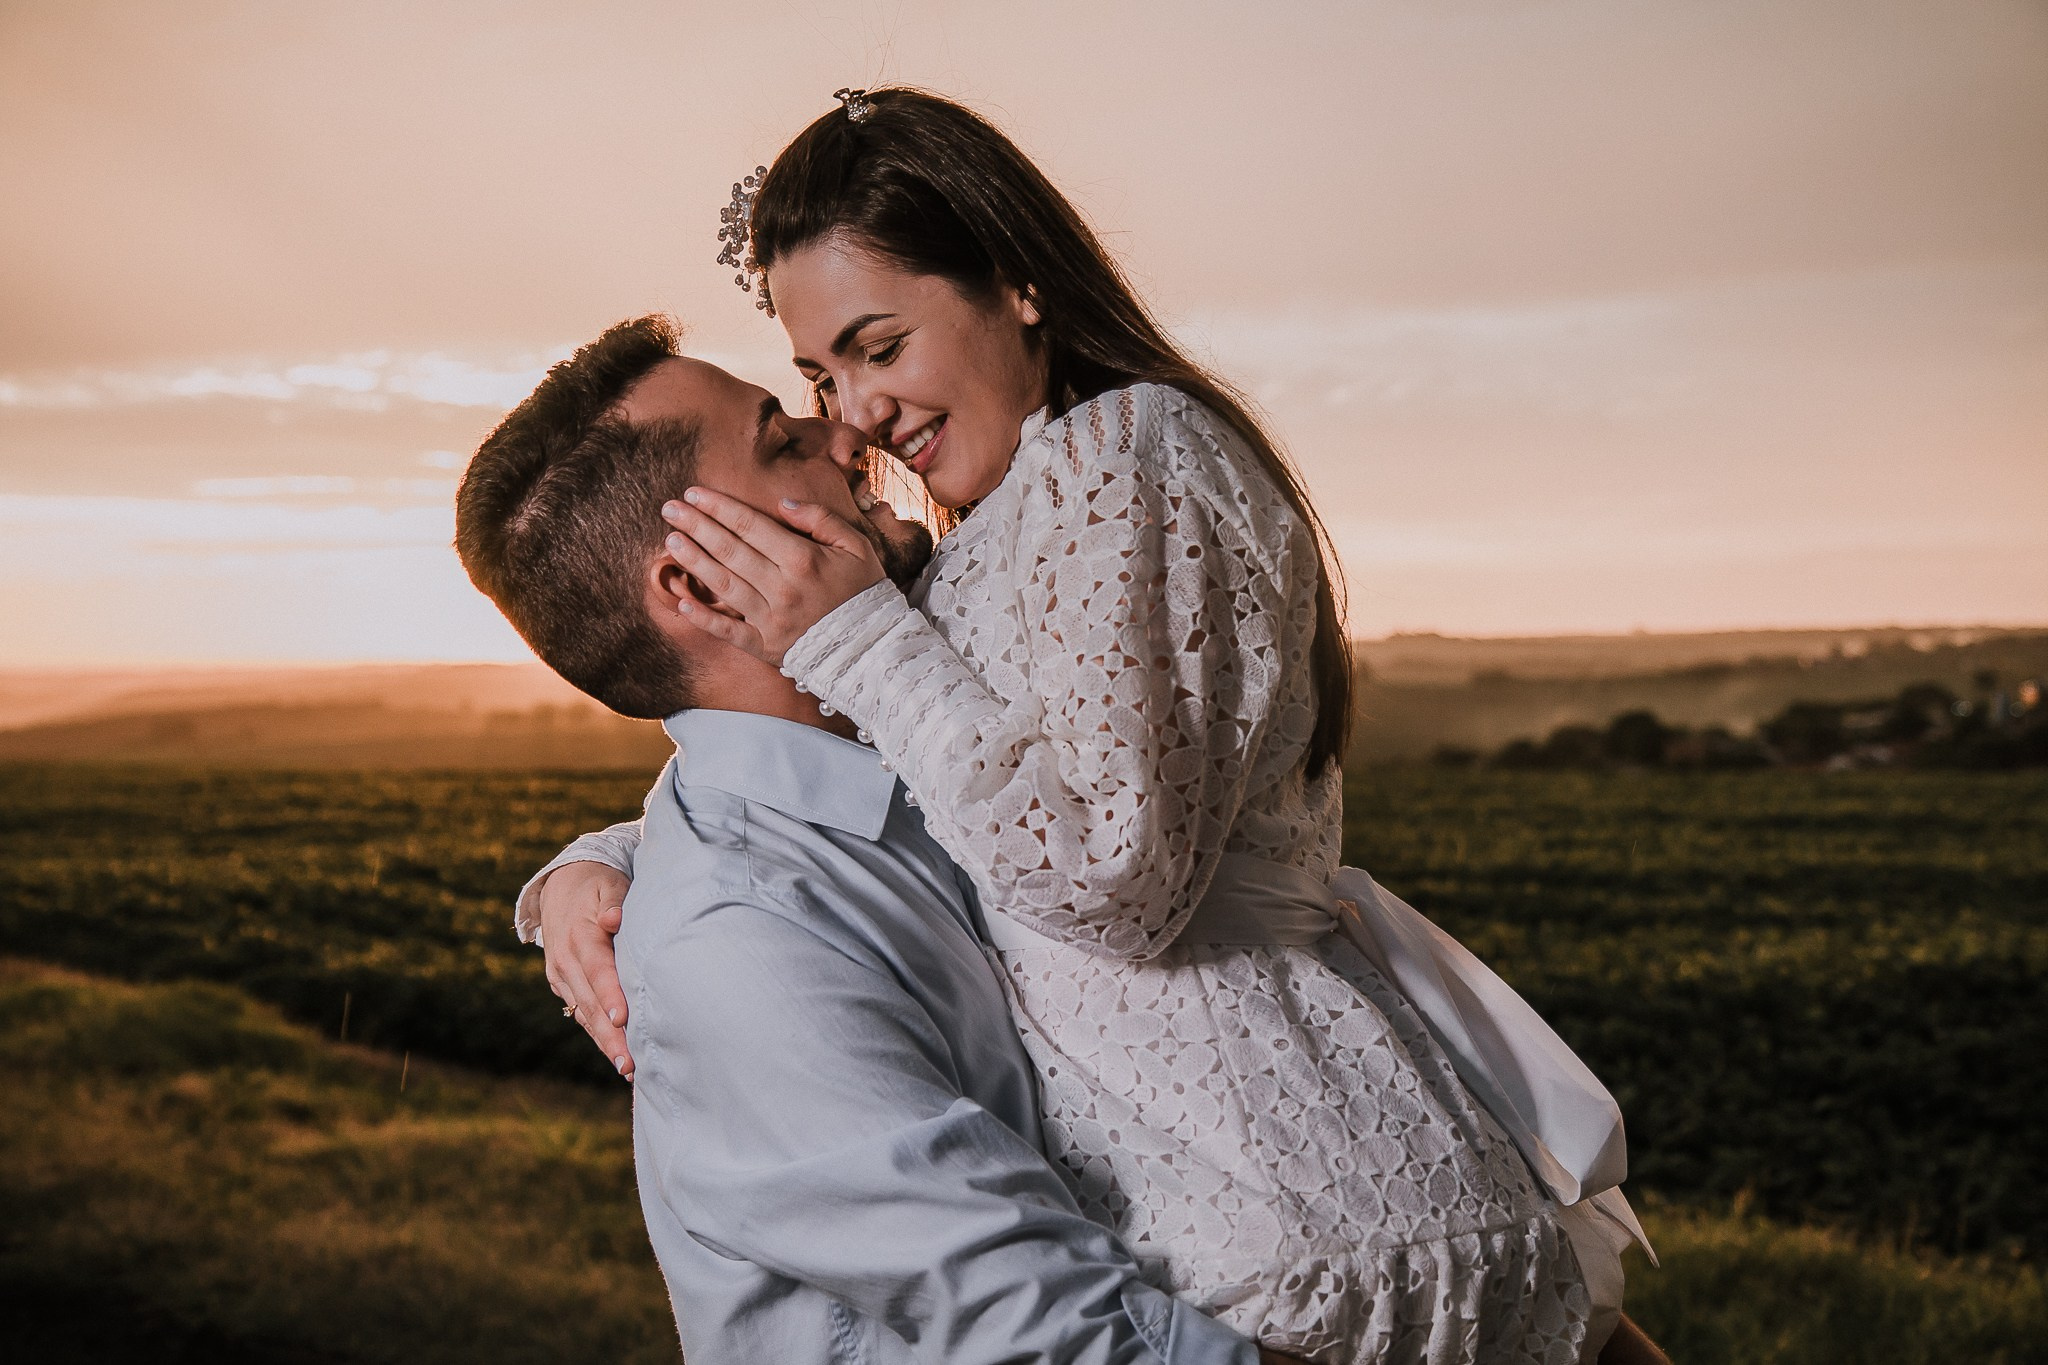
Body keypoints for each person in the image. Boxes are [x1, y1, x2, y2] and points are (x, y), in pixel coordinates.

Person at [532, 89, 1666, 1364]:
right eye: (815, 380)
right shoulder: (989, 538)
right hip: (1238, 1201)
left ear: (1016, 284)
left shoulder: (1117, 458)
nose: (851, 421)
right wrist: (612, 859)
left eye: (877, 348)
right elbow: (872, 771)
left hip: (1278, 1201)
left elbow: (1105, 874)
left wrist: (848, 642)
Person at [454, 314, 1302, 1365]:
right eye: (781, 443)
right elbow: (1052, 1333)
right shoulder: (735, 941)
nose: (845, 436)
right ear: (698, 586)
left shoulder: (913, 752)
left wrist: (596, 858)